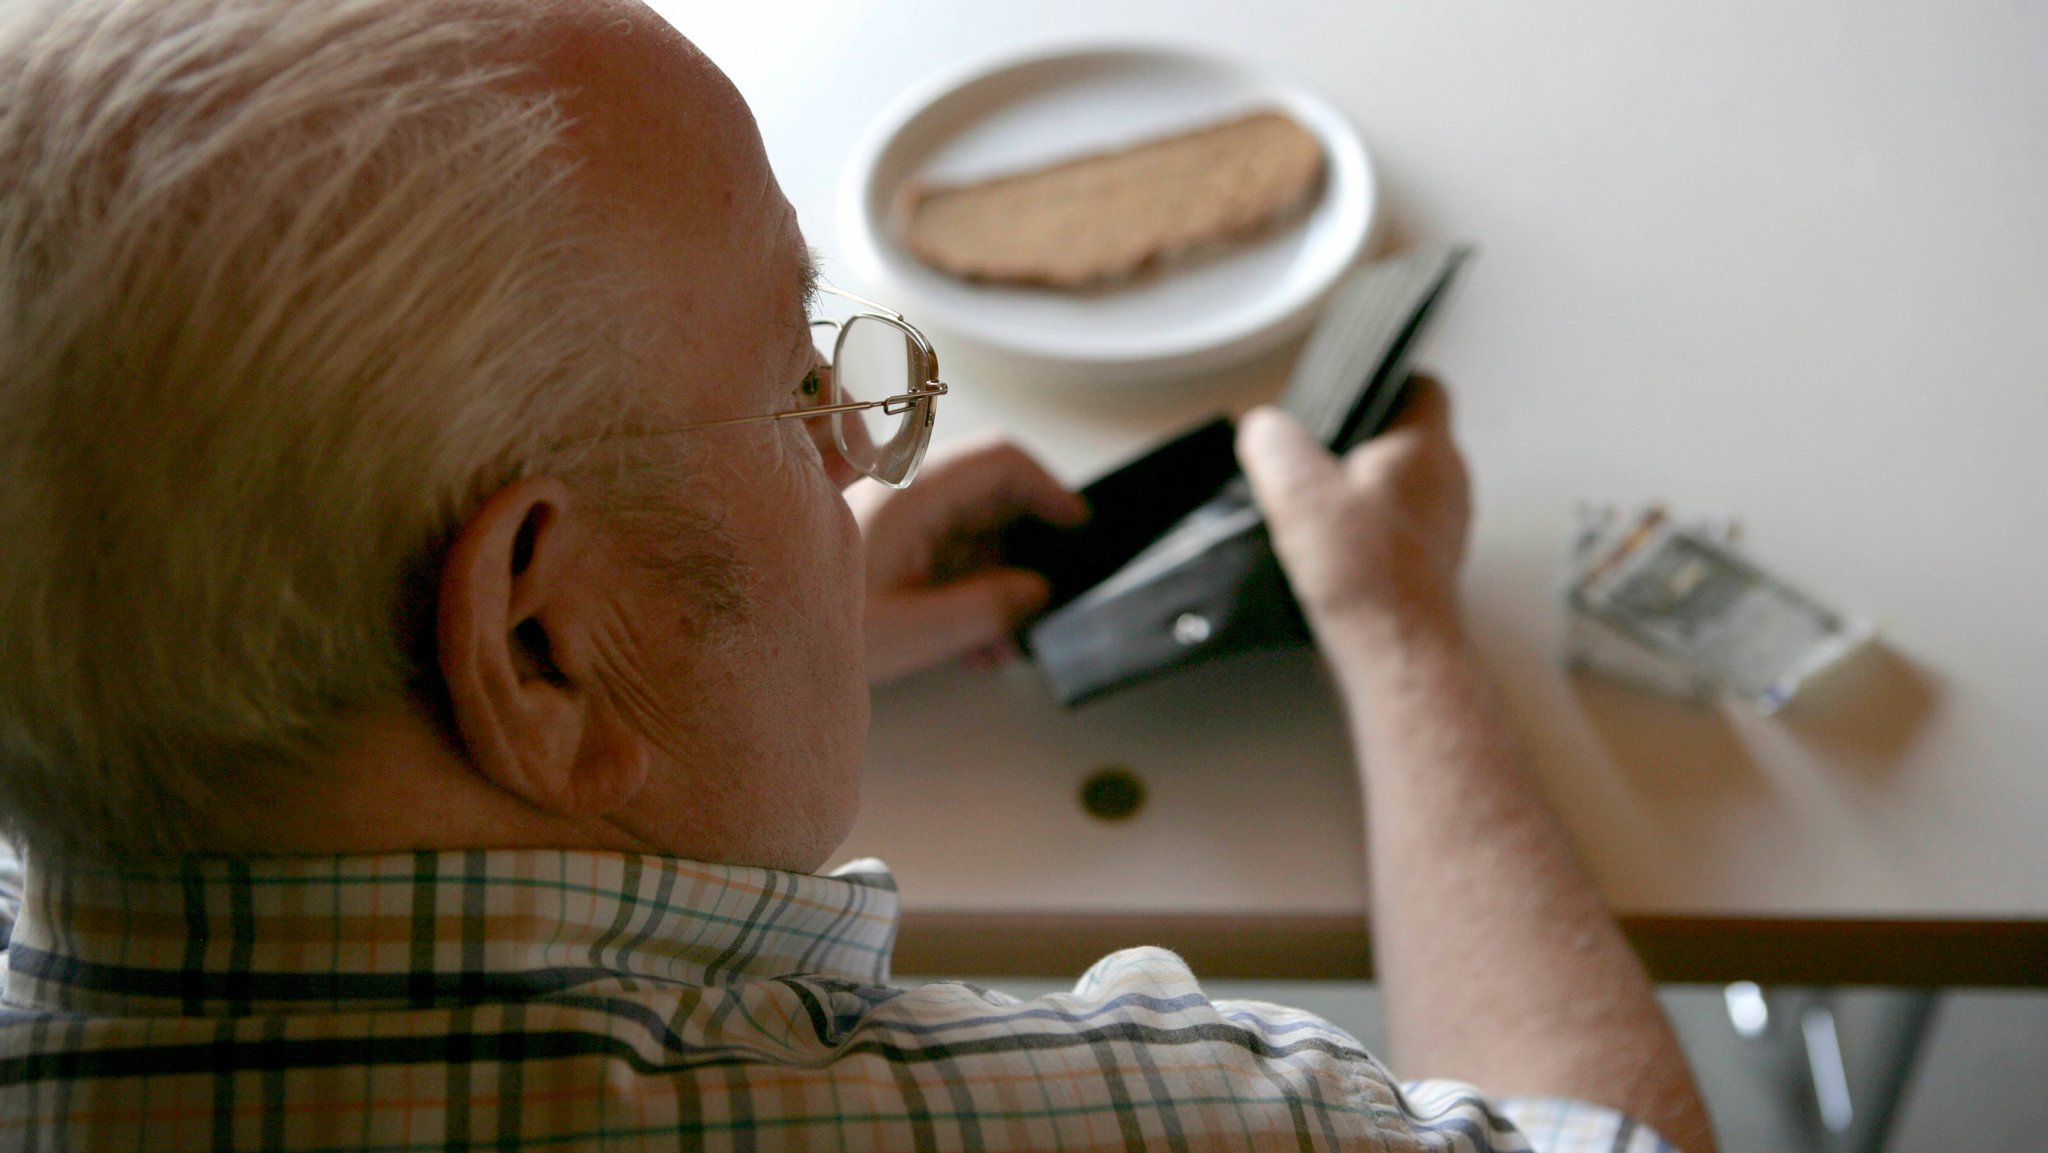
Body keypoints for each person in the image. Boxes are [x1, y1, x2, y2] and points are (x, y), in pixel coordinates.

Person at [0, 0, 1716, 1150]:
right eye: (795, 382)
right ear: (531, 646)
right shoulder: (1155, 1121)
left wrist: (702, 641)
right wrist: (1399, 627)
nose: (855, 440)